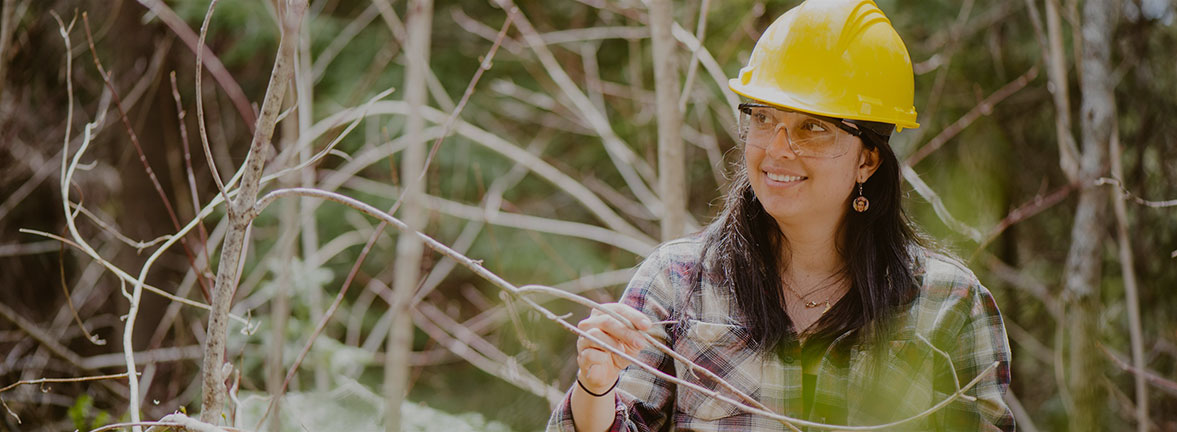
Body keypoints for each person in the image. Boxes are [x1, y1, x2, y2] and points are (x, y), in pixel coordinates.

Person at [545, 0, 1014, 431]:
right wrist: (596, 385)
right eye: (763, 118)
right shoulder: (678, 282)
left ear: (867, 159)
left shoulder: (946, 304)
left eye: (813, 127)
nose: (776, 149)